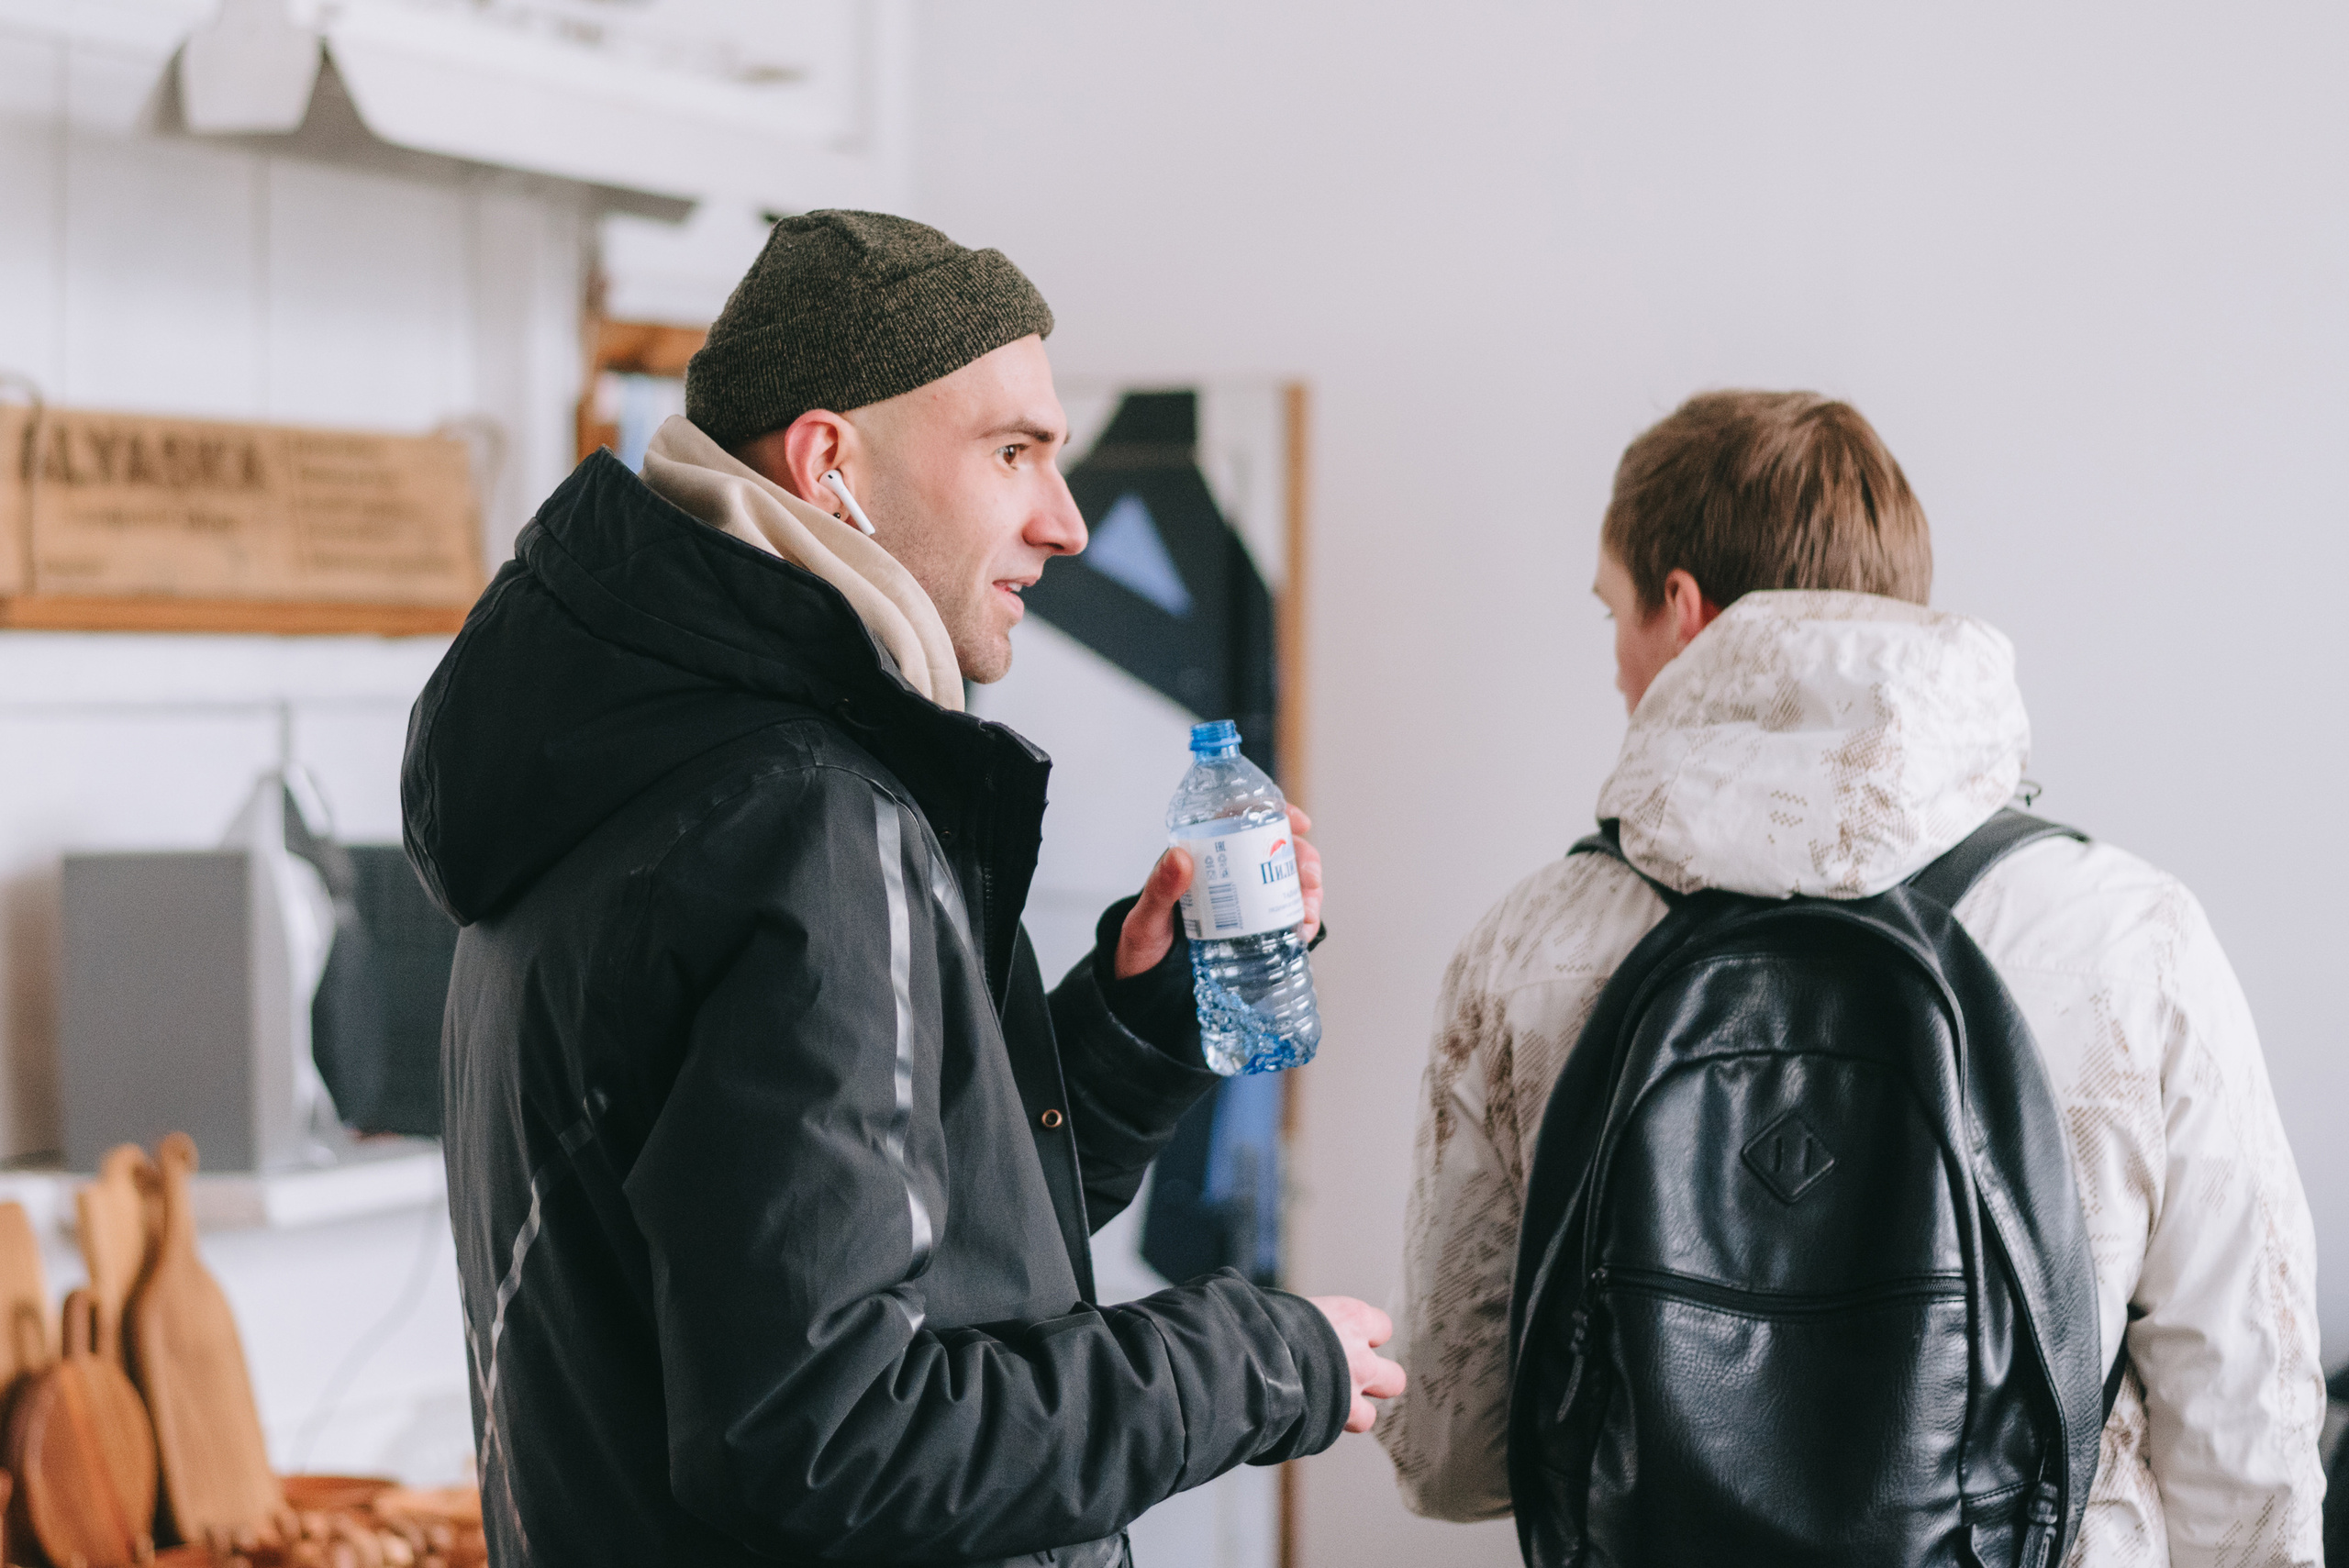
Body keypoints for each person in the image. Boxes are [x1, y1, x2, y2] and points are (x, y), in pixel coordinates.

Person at [404, 210, 1402, 1568]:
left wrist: (1136, 1021)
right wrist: (1262, 1362)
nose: (1067, 521)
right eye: (1012, 452)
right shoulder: (804, 822)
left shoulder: (615, 769)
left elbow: (891, 1250)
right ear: (833, 467)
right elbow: (834, 1440)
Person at [1375, 390, 2322, 1563]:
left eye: (1611, 610)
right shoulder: (2131, 938)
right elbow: (2250, 1447)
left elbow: (1454, 1448)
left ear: (1680, 610)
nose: (1617, 662)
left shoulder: (1527, 950)